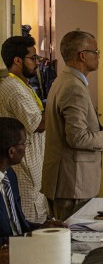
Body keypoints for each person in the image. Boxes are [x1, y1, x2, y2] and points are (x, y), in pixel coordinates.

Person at [41, 31, 103, 221]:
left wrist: (98, 129)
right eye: (96, 51)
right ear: (83, 56)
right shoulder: (73, 87)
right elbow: (77, 137)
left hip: (68, 181)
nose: (98, 56)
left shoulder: (63, 80)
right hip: (73, 183)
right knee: (73, 239)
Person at [0, 117, 66, 264]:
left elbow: (19, 225)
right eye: (25, 143)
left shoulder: (10, 176)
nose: (27, 147)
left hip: (23, 254)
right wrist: (31, 237)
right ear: (12, 151)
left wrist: (43, 229)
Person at [0, 36, 48, 223]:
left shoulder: (22, 85)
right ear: (18, 61)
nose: (37, 63)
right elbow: (38, 125)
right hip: (25, 166)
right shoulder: (14, 89)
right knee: (29, 224)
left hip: (33, 165)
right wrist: (60, 106)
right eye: (33, 58)